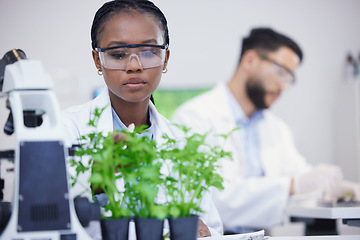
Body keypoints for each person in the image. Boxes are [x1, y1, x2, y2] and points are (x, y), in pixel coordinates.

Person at [172, 27, 360, 234]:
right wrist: (292, 185)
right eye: (281, 72)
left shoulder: (275, 128)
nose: (284, 86)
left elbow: (300, 175)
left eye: (290, 79)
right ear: (250, 60)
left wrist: (339, 187)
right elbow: (217, 201)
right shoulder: (194, 118)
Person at [62, 1, 223, 239]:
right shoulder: (67, 131)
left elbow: (211, 227)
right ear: (98, 61)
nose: (134, 66)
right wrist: (95, 180)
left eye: (148, 52)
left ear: (165, 58)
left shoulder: (183, 141)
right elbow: (50, 224)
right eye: (118, 54)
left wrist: (204, 233)